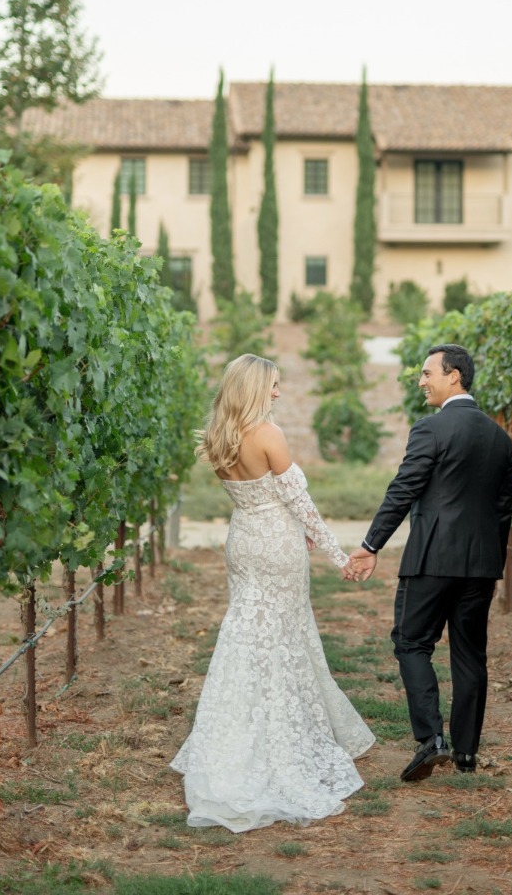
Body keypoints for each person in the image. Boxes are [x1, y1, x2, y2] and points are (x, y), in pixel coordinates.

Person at [170, 354, 374, 832]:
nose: (279, 393)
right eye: (274, 385)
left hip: (242, 543)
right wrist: (340, 557)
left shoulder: (222, 436)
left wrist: (294, 527)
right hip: (276, 550)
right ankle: (277, 741)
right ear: (255, 388)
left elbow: (258, 498)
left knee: (245, 635)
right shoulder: (268, 434)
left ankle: (229, 737)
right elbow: (301, 505)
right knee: (282, 641)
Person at [346, 343, 512, 782]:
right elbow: (503, 509)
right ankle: (466, 754)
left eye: (427, 374)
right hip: (481, 565)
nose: (421, 382)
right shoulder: (500, 437)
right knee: (470, 654)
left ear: (453, 375)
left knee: (411, 642)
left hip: (431, 559)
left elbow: (403, 489)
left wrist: (370, 544)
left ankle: (430, 740)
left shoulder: (431, 430)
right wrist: (490, 562)